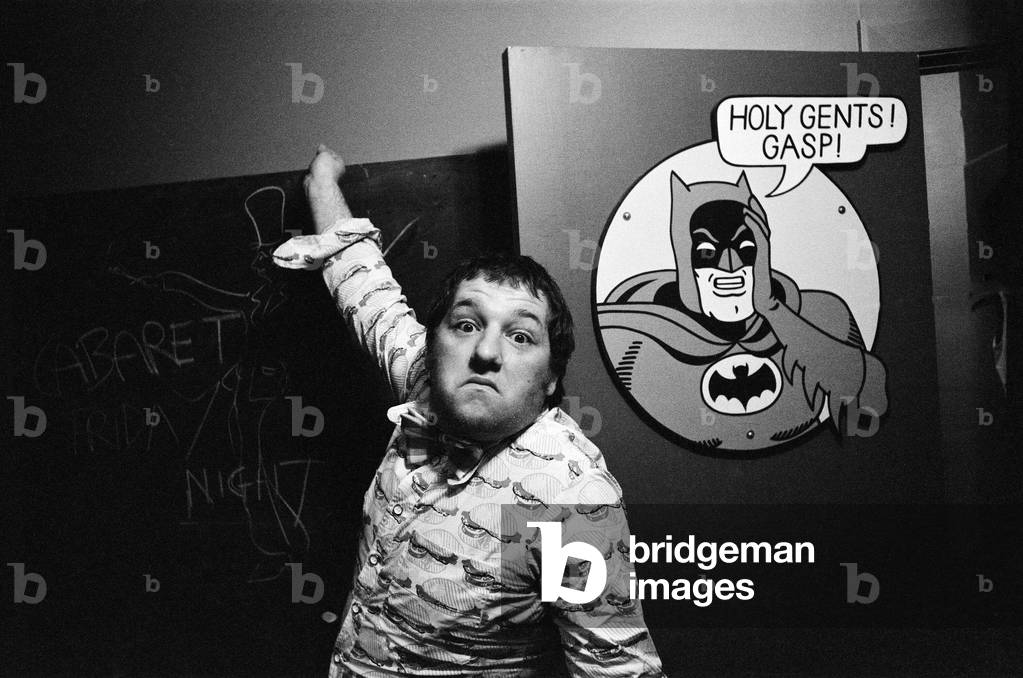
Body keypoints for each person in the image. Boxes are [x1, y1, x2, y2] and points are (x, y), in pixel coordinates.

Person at [272, 145, 665, 677]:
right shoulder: (425, 382)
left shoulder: (567, 501)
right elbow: (360, 278)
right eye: (466, 324)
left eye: (521, 335)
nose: (485, 352)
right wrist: (323, 183)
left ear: (551, 378)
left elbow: (617, 671)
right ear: (435, 344)